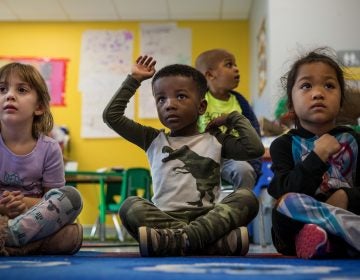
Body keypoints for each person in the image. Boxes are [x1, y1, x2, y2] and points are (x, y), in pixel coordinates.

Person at [103, 55, 264, 257]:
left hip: (208, 217)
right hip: (164, 216)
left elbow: (254, 149)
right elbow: (112, 116)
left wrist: (233, 118)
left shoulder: (216, 139)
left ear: (201, 107)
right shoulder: (151, 139)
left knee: (247, 198)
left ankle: (173, 241)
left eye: (180, 96)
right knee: (130, 206)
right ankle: (207, 243)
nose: (169, 104)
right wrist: (133, 80)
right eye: (161, 99)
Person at [268, 48, 360, 259]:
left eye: (329, 86)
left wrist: (347, 196)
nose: (318, 93)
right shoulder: (283, 144)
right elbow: (284, 189)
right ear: (291, 103)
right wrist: (318, 156)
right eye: (306, 86)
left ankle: (330, 241)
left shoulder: (354, 141)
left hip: (349, 209)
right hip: (297, 226)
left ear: (341, 99)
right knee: (286, 203)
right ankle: (338, 236)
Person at [0, 62, 83, 256]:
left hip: (33, 220)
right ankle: (22, 246)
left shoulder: (50, 148)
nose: (9, 95)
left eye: (21, 90)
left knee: (72, 198)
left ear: (38, 107)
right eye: (2, 89)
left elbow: (53, 200)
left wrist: (22, 204)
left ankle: (8, 238)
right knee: (69, 237)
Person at [195, 49, 262, 190]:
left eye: (236, 65)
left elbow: (253, 131)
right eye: (229, 65)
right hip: (203, 157)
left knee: (245, 171)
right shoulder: (198, 100)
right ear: (210, 74)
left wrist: (254, 164)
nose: (236, 69)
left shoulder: (240, 101)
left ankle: (243, 209)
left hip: (234, 157)